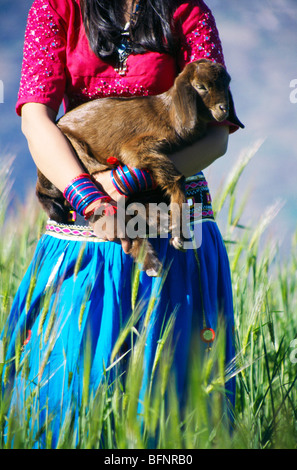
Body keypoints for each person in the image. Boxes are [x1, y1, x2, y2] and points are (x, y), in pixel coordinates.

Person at [1, 0, 242, 447]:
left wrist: (126, 179)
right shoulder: (55, 7)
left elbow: (217, 132)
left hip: (174, 228)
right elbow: (36, 118)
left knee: (174, 411)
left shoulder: (188, 10)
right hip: (88, 229)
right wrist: (89, 197)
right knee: (72, 399)